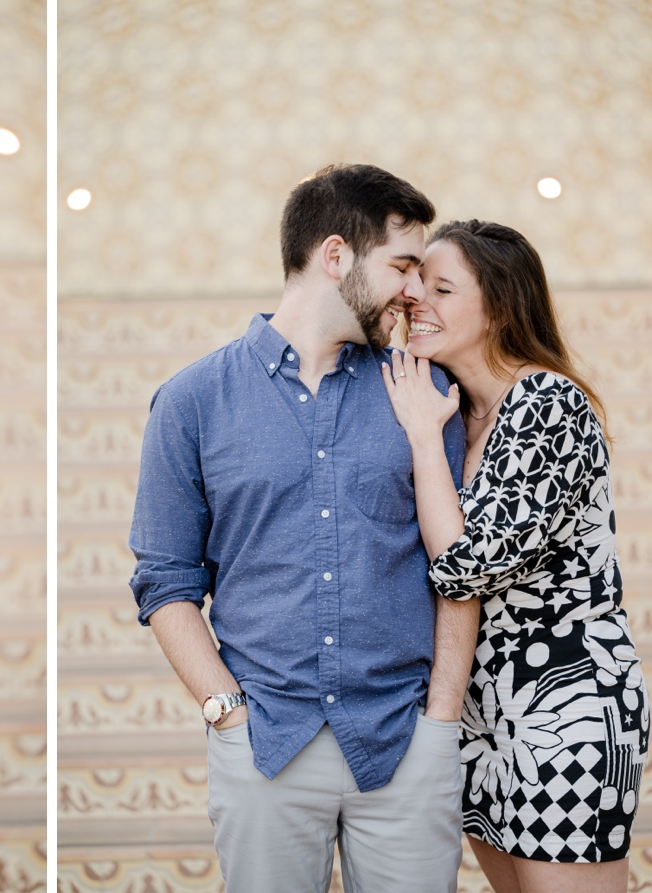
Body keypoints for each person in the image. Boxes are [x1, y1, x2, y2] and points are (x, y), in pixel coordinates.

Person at [129, 163, 475, 893]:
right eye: (403, 265)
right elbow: (164, 581)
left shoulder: (425, 391)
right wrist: (226, 713)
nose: (414, 290)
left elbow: (458, 568)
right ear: (337, 255)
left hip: (405, 741)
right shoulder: (191, 402)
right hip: (265, 748)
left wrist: (442, 720)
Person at [382, 220, 648, 893]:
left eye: (443, 287)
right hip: (480, 717)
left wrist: (419, 434)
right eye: (417, 285)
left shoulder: (548, 403)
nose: (418, 299)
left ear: (499, 306)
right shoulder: (461, 411)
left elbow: (465, 565)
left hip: (566, 707)